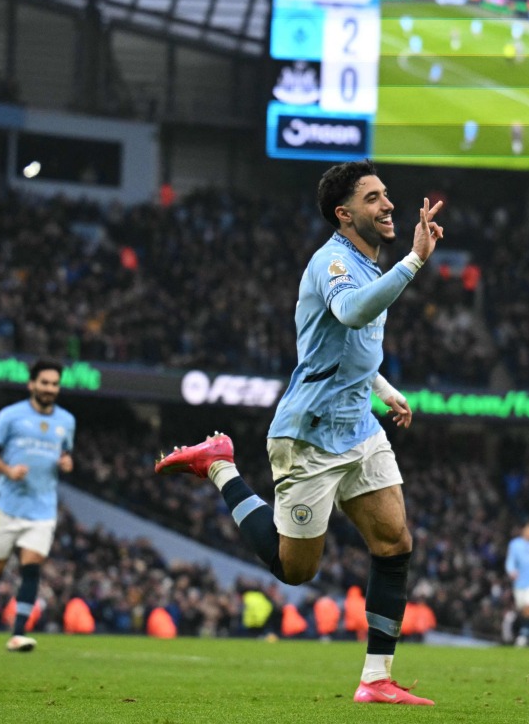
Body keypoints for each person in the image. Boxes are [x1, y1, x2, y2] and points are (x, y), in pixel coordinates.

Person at [157, 159, 443, 706]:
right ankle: (219, 465)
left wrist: (385, 391)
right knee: (295, 570)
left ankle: (376, 679)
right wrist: (413, 261)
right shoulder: (332, 262)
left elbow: (345, 346)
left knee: (394, 542)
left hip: (358, 424)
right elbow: (354, 313)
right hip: (307, 435)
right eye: (374, 198)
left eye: (387, 196)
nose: (388, 206)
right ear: (344, 213)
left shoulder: (366, 263)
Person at [0, 358, 75, 652]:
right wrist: (8, 470)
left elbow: (65, 456)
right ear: (32, 384)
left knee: (32, 566)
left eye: (54, 384)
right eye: (45, 382)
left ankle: (17, 633)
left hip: (42, 508)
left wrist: (66, 463)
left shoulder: (66, 421)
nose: (50, 388)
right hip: (7, 505)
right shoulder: (10, 416)